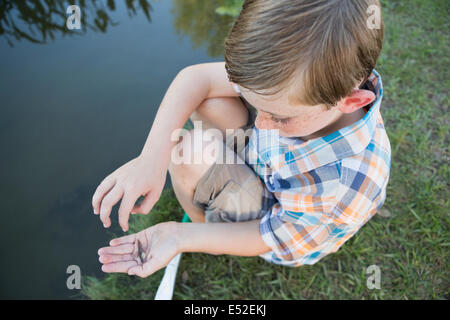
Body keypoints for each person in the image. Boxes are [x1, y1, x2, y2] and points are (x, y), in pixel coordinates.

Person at [94, 0, 391, 278]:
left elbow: (270, 234)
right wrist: (151, 159)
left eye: (279, 116)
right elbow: (196, 79)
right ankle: (216, 196)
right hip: (268, 163)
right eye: (256, 105)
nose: (261, 123)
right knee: (210, 102)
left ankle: (206, 229)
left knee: (188, 152)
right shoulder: (302, 79)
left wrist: (177, 236)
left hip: (273, 223)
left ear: (350, 102)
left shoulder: (343, 185)